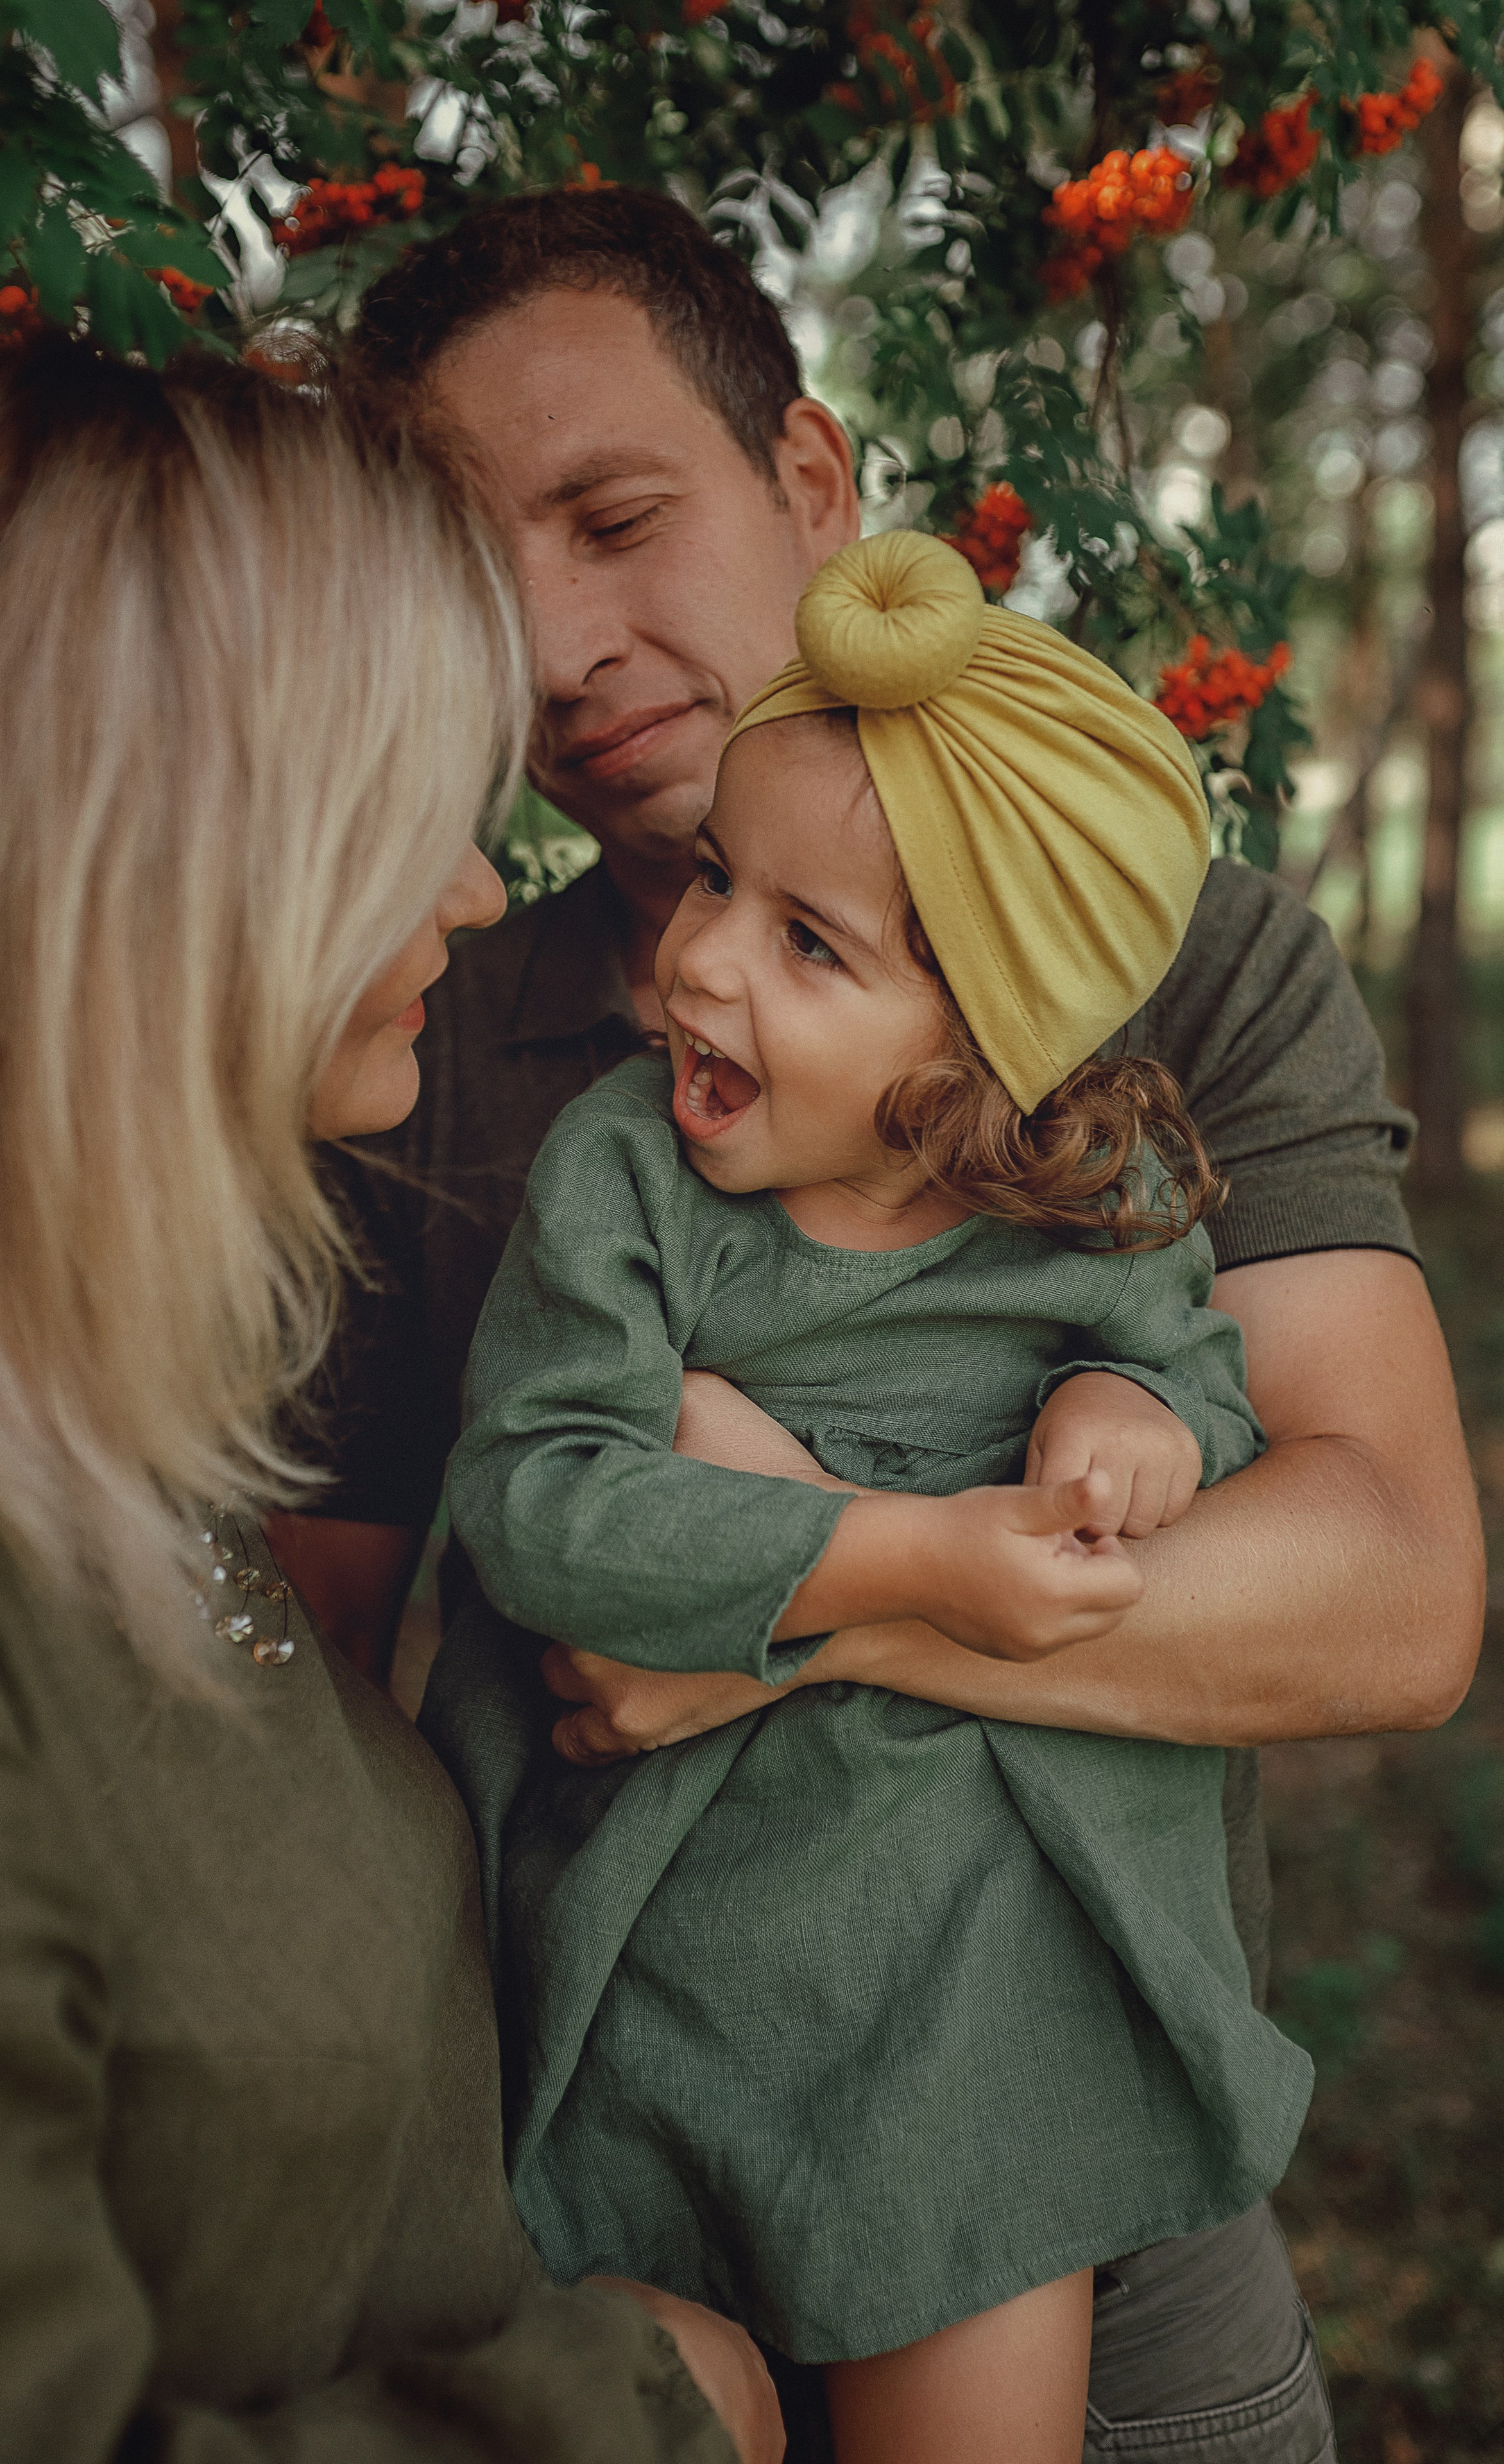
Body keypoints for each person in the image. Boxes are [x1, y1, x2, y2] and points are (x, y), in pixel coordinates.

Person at [268, 188, 1485, 2459]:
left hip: (1069, 2160)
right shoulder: (423, 1042)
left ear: (812, 489)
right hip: (613, 2159)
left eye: (615, 519)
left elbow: (1393, 1594)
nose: (550, 639)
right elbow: (327, 1708)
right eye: (472, 570)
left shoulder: (1159, 972)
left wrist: (793, 1591)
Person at [0, 337, 782, 2464]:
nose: (476, 889)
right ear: (147, 867)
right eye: (401, 818)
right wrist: (639, 2408)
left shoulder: (97, 1424)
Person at [422, 528, 1318, 2464]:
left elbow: (1205, 1396)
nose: (705, 960)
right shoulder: (625, 1181)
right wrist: (913, 1550)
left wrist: (1126, 1400)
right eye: (724, 884)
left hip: (974, 2018)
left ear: (987, 1061)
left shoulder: (1097, 1205)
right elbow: (541, 1500)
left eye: (809, 944)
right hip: (674, 1957)